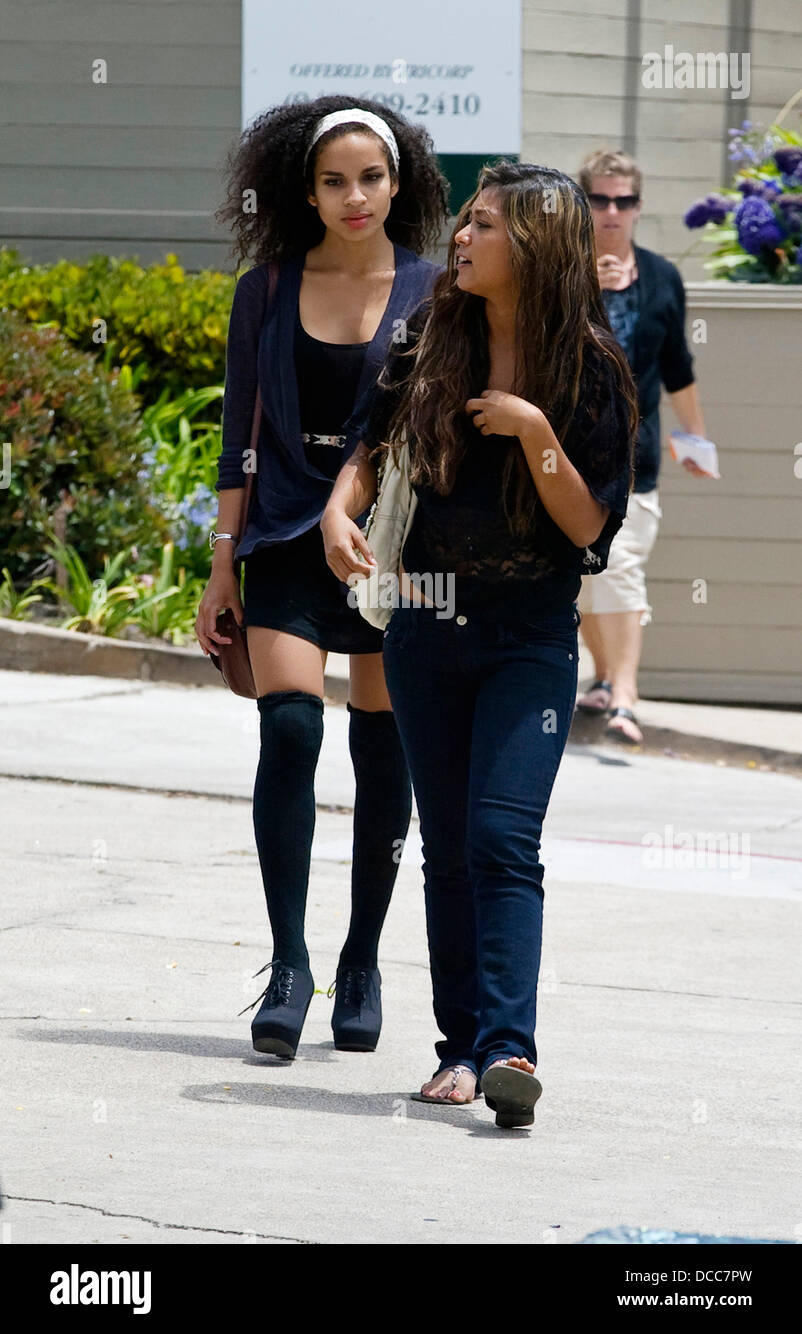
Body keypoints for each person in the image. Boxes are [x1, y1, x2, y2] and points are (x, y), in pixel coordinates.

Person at [321, 161, 638, 1127]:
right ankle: (459, 1050)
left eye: (487, 225)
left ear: (534, 246)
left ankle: (510, 1048)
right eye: (466, 223)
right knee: (449, 851)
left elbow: (590, 529)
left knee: (503, 839)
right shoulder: (432, 336)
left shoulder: (588, 369)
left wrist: (535, 429)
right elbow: (370, 449)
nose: (463, 238)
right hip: (422, 622)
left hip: (527, 636)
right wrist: (342, 512)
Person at [195, 97, 447, 1060]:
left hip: (389, 548)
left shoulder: (433, 291)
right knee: (291, 726)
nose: (354, 197)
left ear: (398, 183)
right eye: (334, 181)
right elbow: (236, 443)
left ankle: (365, 959)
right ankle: (290, 961)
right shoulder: (263, 291)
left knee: (383, 750)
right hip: (283, 543)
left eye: (371, 179)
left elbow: (425, 432)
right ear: (305, 189)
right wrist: (222, 563)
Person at [575, 149, 711, 744]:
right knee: (584, 576)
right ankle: (604, 677)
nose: (612, 212)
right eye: (601, 199)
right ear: (585, 203)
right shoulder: (565, 272)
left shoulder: (661, 276)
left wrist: (696, 438)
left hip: (639, 455)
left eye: (623, 201)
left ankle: (625, 694)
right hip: (569, 453)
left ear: (637, 207)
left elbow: (678, 367)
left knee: (622, 568)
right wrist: (583, 293)